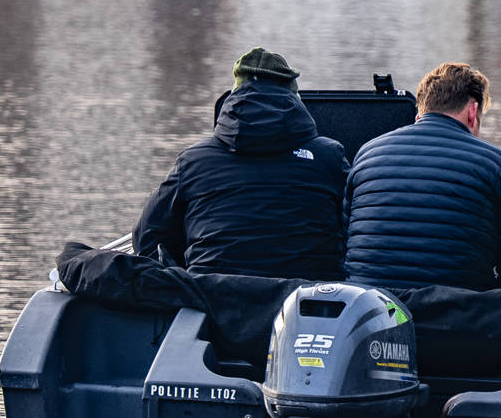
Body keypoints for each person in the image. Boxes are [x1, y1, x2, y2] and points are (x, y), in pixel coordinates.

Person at [132, 47, 348, 279]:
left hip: (215, 300)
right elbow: (362, 228)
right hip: (310, 302)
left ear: (233, 96)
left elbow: (147, 238)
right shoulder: (329, 156)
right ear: (294, 98)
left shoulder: (193, 161)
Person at [342, 61, 501, 294]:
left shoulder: (367, 154)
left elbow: (344, 241)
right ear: (472, 112)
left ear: (419, 113)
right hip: (456, 315)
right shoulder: (496, 163)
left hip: (372, 310)